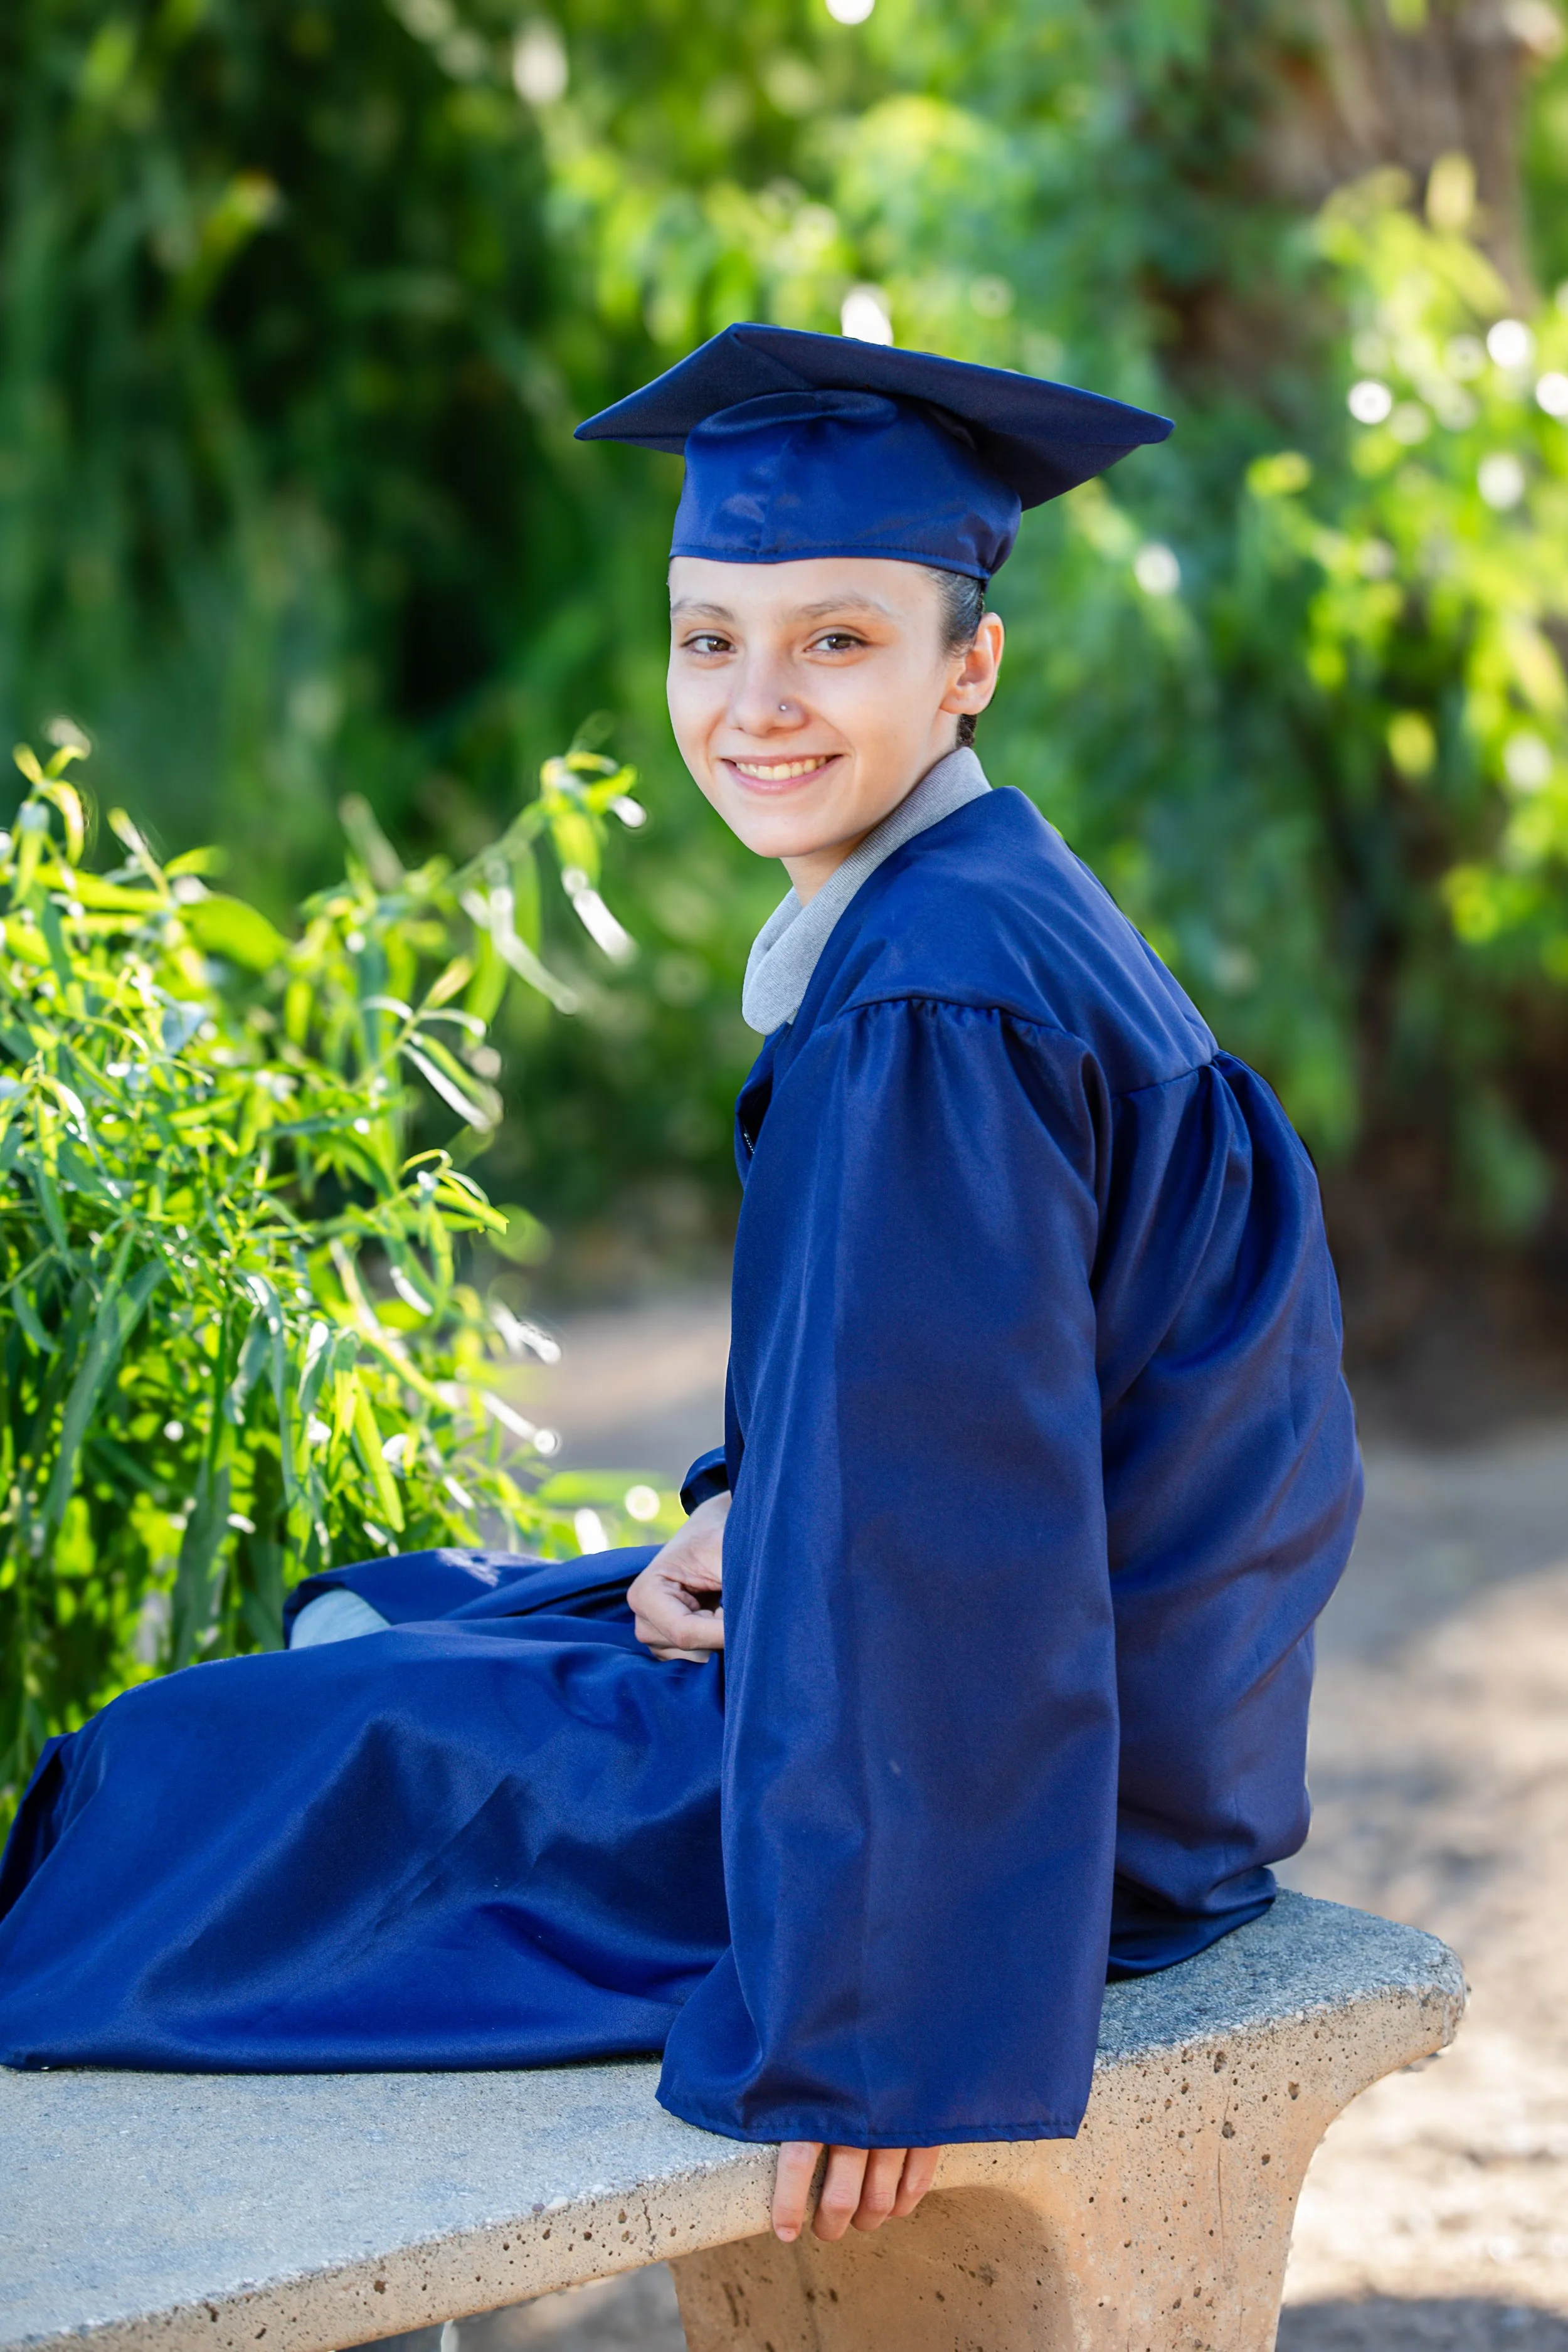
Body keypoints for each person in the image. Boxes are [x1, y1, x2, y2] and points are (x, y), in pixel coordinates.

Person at [0, 325, 1360, 2252]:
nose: (752, 703)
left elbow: (947, 1545)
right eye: (706, 635)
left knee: (172, 1781)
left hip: (1001, 1836)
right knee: (382, 1615)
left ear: (968, 664)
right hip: (1124, 1755)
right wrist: (745, 1517)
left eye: (835, 639)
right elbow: (965, 1410)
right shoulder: (973, 900)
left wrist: (889, 2022)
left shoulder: (926, 1008)